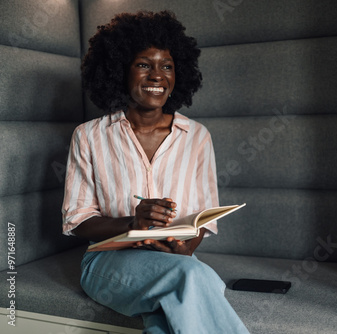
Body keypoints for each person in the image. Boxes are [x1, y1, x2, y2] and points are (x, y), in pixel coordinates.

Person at [61, 10, 249, 334]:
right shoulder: (88, 136)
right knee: (193, 277)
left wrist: (186, 248)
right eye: (144, 64)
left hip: (173, 261)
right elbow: (77, 221)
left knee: (165, 320)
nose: (157, 75)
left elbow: (202, 217)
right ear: (120, 69)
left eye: (167, 66)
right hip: (106, 262)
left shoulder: (198, 137)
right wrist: (132, 224)